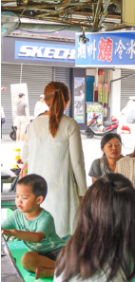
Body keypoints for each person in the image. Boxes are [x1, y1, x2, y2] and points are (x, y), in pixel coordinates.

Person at [21, 82, 87, 237]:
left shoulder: (34, 124)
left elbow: (25, 157)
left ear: (44, 100)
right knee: (64, 241)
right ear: (68, 100)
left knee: (41, 243)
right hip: (63, 196)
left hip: (38, 196)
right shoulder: (70, 125)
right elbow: (77, 163)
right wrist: (83, 191)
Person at [1, 174, 65, 278]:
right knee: (26, 259)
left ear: (38, 200)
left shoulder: (45, 218)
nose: (19, 201)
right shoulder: (17, 215)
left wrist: (13, 232)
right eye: (17, 196)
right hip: (39, 255)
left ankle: (57, 271)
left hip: (57, 250)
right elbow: (2, 228)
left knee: (81, 260)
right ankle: (61, 270)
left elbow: (36, 237)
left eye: (24, 197)